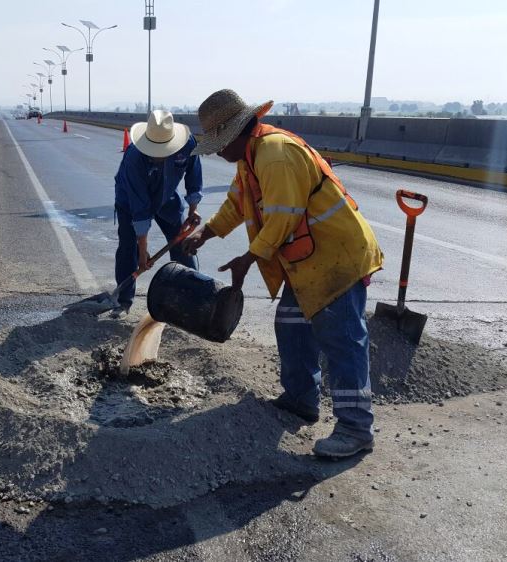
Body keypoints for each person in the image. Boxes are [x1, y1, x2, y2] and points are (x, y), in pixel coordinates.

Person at [183, 89, 384, 459]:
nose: (216, 152)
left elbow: (283, 216)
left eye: (217, 144)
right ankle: (301, 400)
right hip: (308, 261)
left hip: (336, 258)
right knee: (291, 325)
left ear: (235, 133)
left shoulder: (275, 155)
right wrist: (206, 233)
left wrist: (249, 258)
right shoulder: (250, 157)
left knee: (341, 339)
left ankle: (356, 428)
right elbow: (236, 205)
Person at [112, 109, 203, 318]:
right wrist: (142, 253)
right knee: (129, 249)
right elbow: (140, 207)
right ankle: (123, 300)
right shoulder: (134, 158)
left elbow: (194, 176)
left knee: (182, 246)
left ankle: (191, 297)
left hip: (167, 198)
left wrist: (193, 209)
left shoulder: (187, 145)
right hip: (130, 202)